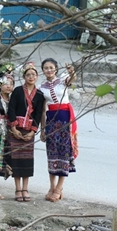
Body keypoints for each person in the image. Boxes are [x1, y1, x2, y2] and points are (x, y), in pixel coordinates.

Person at [39, 58, 78, 202]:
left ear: (55, 68)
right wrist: (43, 129)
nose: (48, 70)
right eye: (46, 68)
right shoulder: (41, 87)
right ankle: (51, 186)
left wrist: (71, 71)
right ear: (43, 70)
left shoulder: (62, 80)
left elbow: (72, 79)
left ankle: (59, 188)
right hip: (51, 120)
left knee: (63, 152)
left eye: (51, 67)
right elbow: (42, 110)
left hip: (64, 119)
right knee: (52, 153)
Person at [7, 62, 45, 202]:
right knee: (16, 160)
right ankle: (17, 189)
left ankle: (25, 189)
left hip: (29, 130)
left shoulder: (39, 94)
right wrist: (13, 128)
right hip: (16, 129)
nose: (31, 77)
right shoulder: (17, 91)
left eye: (33, 75)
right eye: (28, 75)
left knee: (27, 160)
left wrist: (33, 131)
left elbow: (38, 114)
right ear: (24, 76)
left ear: (37, 77)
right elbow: (11, 108)